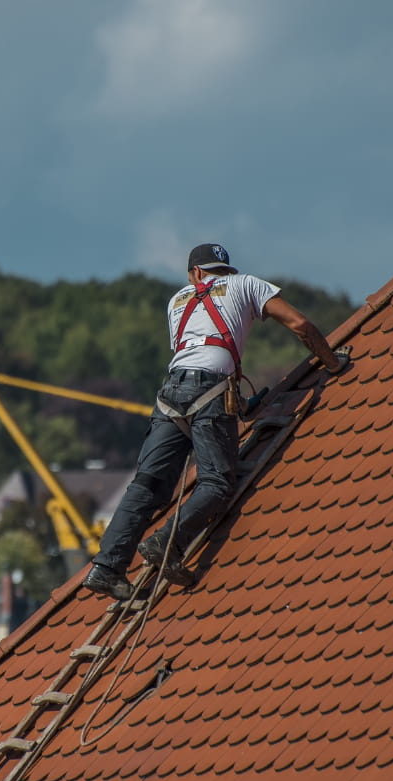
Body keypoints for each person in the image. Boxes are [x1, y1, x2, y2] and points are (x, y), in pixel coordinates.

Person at [82, 243, 348, 600]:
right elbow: (300, 324)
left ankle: (106, 567)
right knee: (217, 483)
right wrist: (333, 363)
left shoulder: (177, 301)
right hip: (210, 390)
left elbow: (195, 352)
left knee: (147, 485)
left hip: (170, 394)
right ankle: (166, 543)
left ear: (194, 273)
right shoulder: (246, 284)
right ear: (225, 269)